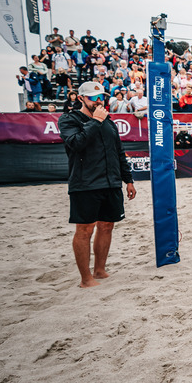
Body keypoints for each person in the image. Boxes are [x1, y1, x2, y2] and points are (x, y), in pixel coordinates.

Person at [58, 81, 136, 288]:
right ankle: (86, 279)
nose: (98, 100)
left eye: (100, 96)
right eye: (93, 97)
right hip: (85, 183)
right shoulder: (69, 119)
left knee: (107, 226)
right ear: (81, 98)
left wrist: (128, 180)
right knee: (84, 230)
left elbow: (118, 152)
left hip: (110, 182)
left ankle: (100, 270)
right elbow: (76, 143)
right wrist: (96, 121)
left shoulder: (108, 122)